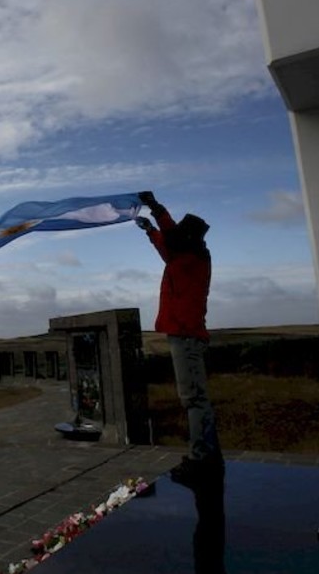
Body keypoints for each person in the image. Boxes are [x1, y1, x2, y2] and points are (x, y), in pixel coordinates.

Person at [135, 191, 223, 487]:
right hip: (185, 335)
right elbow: (168, 241)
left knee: (194, 399)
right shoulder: (191, 254)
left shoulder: (190, 259)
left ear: (189, 238)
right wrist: (153, 224)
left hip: (186, 337)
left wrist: (156, 213)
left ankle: (201, 460)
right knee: (197, 399)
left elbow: (169, 240)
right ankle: (209, 455)